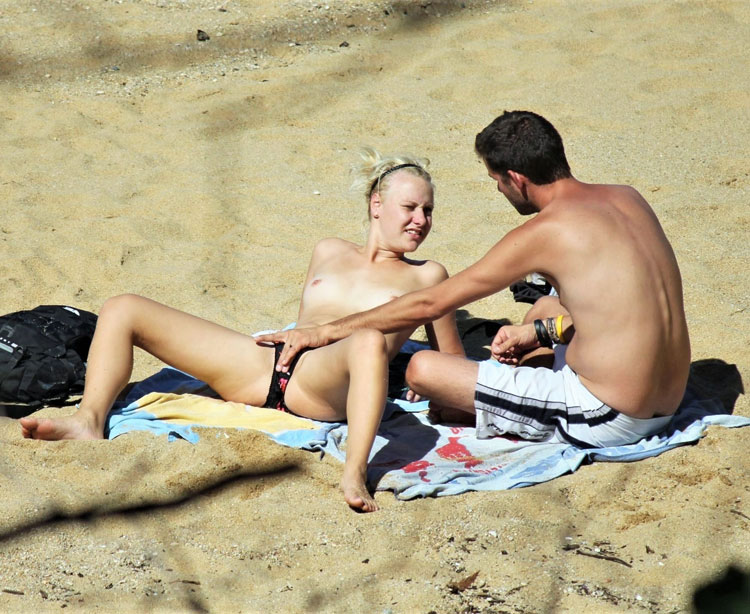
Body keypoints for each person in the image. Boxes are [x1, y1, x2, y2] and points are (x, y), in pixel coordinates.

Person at [19, 148, 465, 512]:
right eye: (410, 207)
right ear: (376, 205)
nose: (420, 220)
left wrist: (423, 384)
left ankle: (353, 472)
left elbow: (453, 364)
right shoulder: (328, 250)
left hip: (324, 388)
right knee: (123, 308)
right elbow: (304, 323)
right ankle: (88, 420)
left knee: (365, 339)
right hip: (262, 365)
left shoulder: (428, 276)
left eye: (428, 211)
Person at [257, 110, 691, 448]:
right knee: (544, 306)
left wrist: (326, 331)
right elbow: (619, 309)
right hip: (667, 399)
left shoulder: (545, 232)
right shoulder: (627, 198)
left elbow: (432, 303)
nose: (499, 191)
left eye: (497, 181)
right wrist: (538, 332)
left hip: (608, 415)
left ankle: (488, 412)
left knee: (424, 370)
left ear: (517, 179)